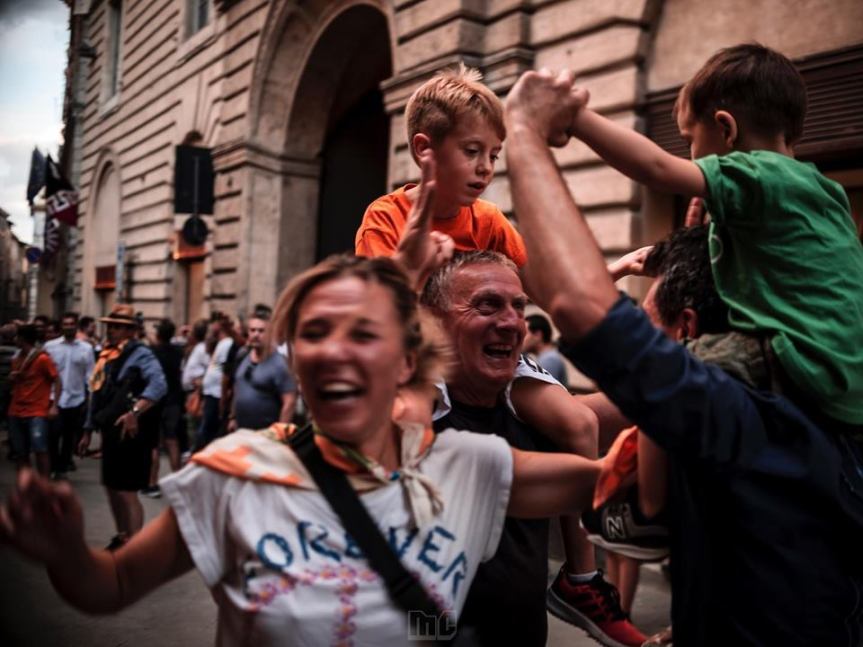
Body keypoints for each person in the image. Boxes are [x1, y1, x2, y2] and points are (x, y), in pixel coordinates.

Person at [0, 255, 605, 647]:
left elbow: (606, 477)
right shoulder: (236, 471)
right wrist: (63, 552)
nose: (339, 350)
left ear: (405, 360)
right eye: (315, 331)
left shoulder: (467, 464)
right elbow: (112, 585)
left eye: (364, 334)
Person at [503, 65, 863, 646]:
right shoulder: (818, 196)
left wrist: (532, 127)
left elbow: (584, 304)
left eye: (650, 319)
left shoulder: (739, 409)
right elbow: (598, 411)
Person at [566, 43, 863, 428]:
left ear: (726, 129)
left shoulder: (757, 174)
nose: (691, 157)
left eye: (690, 141)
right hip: (848, 373)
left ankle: (640, 486)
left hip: (803, 358)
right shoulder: (820, 189)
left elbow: (655, 168)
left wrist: (577, 118)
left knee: (663, 378)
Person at [421, 251, 645, 647]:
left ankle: (580, 581)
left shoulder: (536, 416)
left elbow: (655, 401)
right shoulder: (406, 425)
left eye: (518, 307)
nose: (510, 323)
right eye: (487, 305)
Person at [355, 64, 527, 268]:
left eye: (494, 156)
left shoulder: (488, 220)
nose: (486, 168)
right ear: (424, 149)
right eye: (471, 151)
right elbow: (381, 297)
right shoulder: (385, 218)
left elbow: (546, 288)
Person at [79, 304, 167, 549]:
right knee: (111, 487)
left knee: (127, 491)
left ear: (130, 331)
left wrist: (135, 412)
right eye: (110, 326)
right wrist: (87, 430)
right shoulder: (106, 354)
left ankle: (135, 547)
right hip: (109, 428)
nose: (112, 330)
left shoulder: (141, 354)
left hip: (131, 431)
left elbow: (159, 385)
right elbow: (96, 393)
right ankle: (122, 536)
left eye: (118, 327)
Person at [44, 312, 96, 478]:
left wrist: (90, 398)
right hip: (54, 398)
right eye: (65, 324)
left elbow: (90, 375)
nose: (69, 327)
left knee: (69, 436)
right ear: (61, 326)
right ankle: (53, 465)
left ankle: (62, 467)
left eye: (72, 324)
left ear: (76, 326)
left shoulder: (86, 349)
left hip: (76, 398)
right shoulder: (50, 346)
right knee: (53, 434)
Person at [228, 312, 296, 431]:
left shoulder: (279, 363)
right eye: (252, 330)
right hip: (242, 432)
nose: (256, 335)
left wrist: (279, 435)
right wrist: (232, 417)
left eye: (261, 331)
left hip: (266, 434)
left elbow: (289, 402)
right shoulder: (243, 357)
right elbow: (238, 387)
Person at [7, 324, 60, 476]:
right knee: (20, 451)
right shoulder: (16, 358)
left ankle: (44, 484)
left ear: (22, 338)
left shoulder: (42, 358)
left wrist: (54, 405)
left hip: (37, 410)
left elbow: (57, 380)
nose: (15, 339)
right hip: (16, 410)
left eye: (17, 336)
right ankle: (26, 486)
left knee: (40, 448)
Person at [147, 318, 186, 491]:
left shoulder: (151, 352)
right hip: (174, 401)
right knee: (172, 440)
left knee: (153, 443)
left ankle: (152, 482)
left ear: (158, 334)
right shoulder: (178, 351)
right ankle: (177, 480)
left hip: (156, 401)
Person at [197, 315, 235, 449]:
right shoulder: (220, 343)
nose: (210, 327)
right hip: (211, 393)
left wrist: (223, 398)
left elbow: (226, 372)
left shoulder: (227, 343)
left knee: (207, 432)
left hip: (217, 394)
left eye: (213, 323)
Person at [523, 313, 569, 388]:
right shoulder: (546, 358)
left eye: (525, 334)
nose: (521, 339)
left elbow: (539, 392)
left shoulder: (549, 360)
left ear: (538, 335)